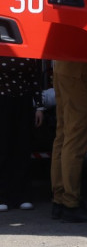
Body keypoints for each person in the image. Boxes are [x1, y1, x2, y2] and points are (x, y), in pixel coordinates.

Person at [51, 59, 87, 223]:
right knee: (75, 137)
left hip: (62, 67)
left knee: (63, 135)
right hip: (78, 70)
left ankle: (59, 199)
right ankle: (71, 202)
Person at [0, 58, 44, 212]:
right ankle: (2, 196)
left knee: (23, 148)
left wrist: (39, 106)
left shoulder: (27, 53)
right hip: (2, 101)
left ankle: (22, 196)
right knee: (3, 149)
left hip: (23, 102)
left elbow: (34, 80)